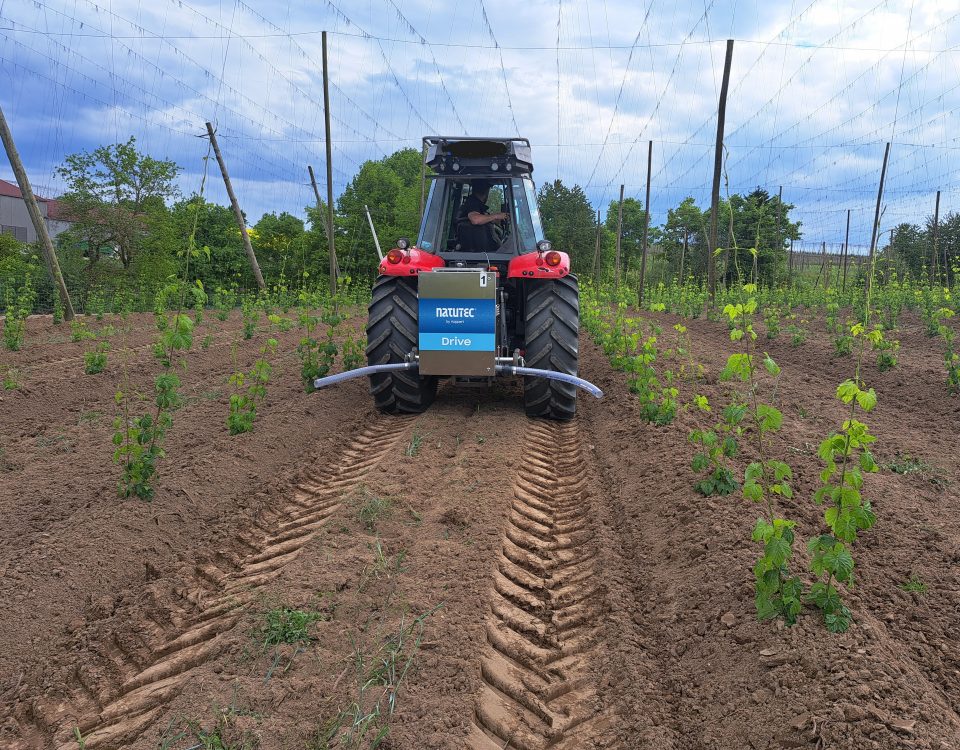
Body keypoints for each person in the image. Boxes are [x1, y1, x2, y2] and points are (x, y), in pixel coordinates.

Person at [456, 179, 508, 252]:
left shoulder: (476, 206)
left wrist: (495, 220)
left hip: (480, 251)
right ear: (486, 191)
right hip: (483, 253)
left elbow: (483, 218)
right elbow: (475, 220)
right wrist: (496, 215)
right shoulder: (472, 203)